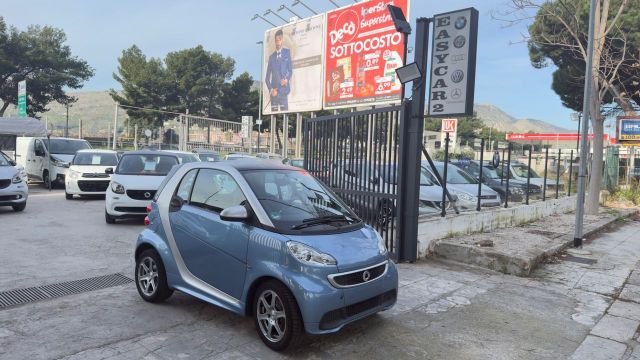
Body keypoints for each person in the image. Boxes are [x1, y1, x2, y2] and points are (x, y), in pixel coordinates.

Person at [265, 29, 292, 112]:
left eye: (279, 40)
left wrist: (286, 80)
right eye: (276, 40)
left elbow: (290, 70)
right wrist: (271, 90)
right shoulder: (271, 57)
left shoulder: (287, 52)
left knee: (285, 115)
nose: (278, 43)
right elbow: (267, 78)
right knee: (274, 116)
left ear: (282, 40)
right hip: (274, 94)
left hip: (284, 92)